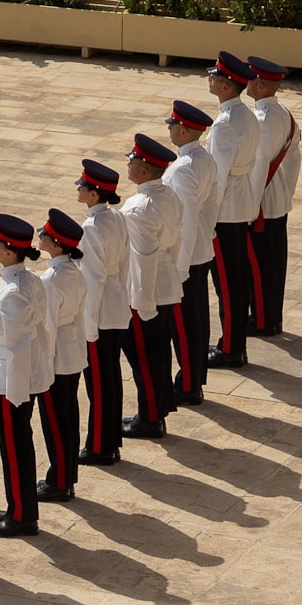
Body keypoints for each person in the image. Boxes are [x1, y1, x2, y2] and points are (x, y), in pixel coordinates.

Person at [0, 215, 51, 540]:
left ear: (9, 251)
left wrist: (17, 390)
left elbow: (19, 344)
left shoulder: (14, 290)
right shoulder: (25, 279)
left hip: (11, 380)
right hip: (17, 376)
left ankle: (22, 515)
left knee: (15, 447)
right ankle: (18, 506)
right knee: (17, 445)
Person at [120, 134, 184, 439]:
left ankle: (150, 418)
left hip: (146, 292)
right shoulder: (169, 195)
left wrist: (142, 305)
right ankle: (157, 409)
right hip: (167, 283)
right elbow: (176, 242)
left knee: (144, 359)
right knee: (158, 355)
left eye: (132, 161)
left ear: (144, 171)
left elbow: (143, 258)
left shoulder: (138, 208)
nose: (128, 164)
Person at [203, 53, 264, 366]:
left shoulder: (226, 123)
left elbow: (220, 174)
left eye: (214, 76)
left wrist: (208, 218)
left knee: (227, 283)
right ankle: (233, 343)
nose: (209, 79)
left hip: (225, 211)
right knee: (236, 279)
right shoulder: (246, 114)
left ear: (226, 86)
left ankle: (230, 348)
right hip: (238, 205)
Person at [75, 159, 133, 466]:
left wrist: (88, 325)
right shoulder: (117, 219)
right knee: (110, 379)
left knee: (99, 383)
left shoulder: (91, 228)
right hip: (116, 304)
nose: (79, 189)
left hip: (98, 314)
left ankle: (100, 446)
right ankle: (110, 440)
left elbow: (93, 279)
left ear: (95, 194)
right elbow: (124, 264)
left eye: (83, 186)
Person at [162, 99, 220, 403]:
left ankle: (188, 385)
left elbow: (184, 220)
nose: (169, 129)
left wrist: (180, 266)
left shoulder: (184, 169)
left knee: (184, 324)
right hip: (200, 248)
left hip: (185, 254)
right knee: (196, 319)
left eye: (172, 125)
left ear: (183, 131)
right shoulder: (204, 157)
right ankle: (194, 377)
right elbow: (210, 207)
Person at [36, 210, 91, 503]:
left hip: (57, 358)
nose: (40, 236)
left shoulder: (52, 279)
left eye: (44, 234)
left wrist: (43, 364)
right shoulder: (73, 271)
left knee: (56, 421)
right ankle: (66, 475)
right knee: (68, 417)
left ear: (56, 244)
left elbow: (48, 327)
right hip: (72, 354)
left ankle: (59, 481)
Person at [248, 57, 302, 336]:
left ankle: (262, 321)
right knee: (273, 265)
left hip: (263, 204)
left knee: (260, 268)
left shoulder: (263, 120)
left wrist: (250, 207)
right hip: (277, 199)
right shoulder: (282, 113)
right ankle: (270, 317)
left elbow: (258, 167)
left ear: (260, 86)